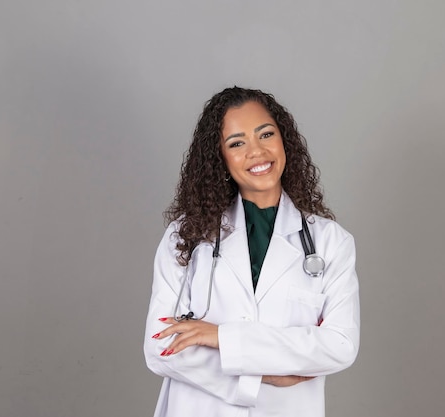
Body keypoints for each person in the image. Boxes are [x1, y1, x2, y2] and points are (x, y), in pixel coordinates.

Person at [144, 86, 359, 417]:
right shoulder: (186, 236)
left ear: (283, 139)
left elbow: (339, 347)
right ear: (221, 157)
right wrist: (260, 379)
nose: (256, 152)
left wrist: (217, 337)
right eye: (237, 143)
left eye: (266, 134)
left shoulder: (331, 242)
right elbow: (160, 346)